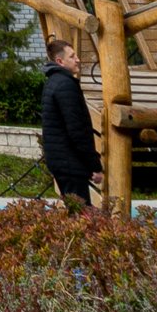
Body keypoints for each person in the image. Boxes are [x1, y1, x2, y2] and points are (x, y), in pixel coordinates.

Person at [38, 39, 99, 209]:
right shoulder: (65, 85)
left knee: (76, 211)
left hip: (61, 160)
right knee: (81, 214)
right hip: (70, 162)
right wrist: (94, 165)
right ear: (60, 61)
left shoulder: (53, 82)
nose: (77, 59)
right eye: (72, 56)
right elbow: (77, 129)